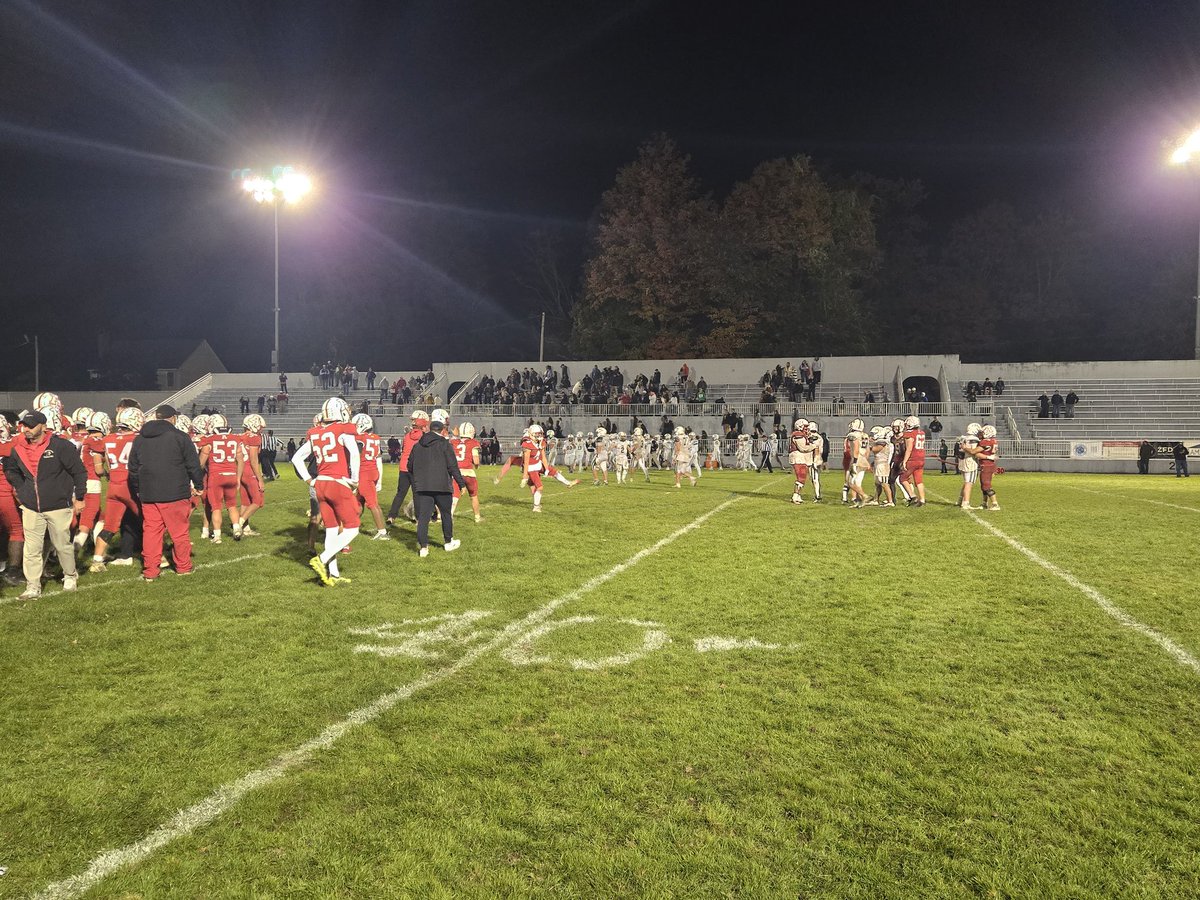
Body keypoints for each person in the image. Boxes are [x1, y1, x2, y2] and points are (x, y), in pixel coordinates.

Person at [3, 410, 86, 599]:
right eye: (24, 426)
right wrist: (21, 488)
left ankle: (70, 576)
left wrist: (80, 496)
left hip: (58, 505)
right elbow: (10, 469)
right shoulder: (18, 448)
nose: (26, 430)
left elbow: (79, 472)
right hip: (31, 506)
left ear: (43, 426)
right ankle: (33, 585)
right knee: (32, 548)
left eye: (31, 426)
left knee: (62, 545)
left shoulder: (60, 446)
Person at [128, 405, 204, 581]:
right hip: (175, 492)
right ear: (173, 418)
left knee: (152, 533)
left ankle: (150, 571)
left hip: (149, 493)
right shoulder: (180, 437)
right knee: (179, 532)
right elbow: (193, 465)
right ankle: (183, 567)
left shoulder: (140, 439)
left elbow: (133, 468)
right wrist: (199, 485)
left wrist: (138, 488)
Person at [292, 398, 361, 585]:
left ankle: (333, 574)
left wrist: (308, 479)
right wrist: (355, 480)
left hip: (320, 483)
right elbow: (354, 454)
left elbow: (296, 458)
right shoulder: (343, 429)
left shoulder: (315, 433)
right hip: (337, 482)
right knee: (353, 527)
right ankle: (322, 559)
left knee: (331, 529)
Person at [408, 409, 465, 554]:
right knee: (446, 514)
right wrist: (461, 484)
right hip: (442, 485)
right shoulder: (445, 444)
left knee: (423, 518)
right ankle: (448, 542)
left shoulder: (418, 445)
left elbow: (410, 465)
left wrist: (419, 478)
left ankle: (423, 548)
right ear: (442, 429)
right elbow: (452, 466)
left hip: (423, 486)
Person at [388, 410, 429, 524]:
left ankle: (391, 516)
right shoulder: (424, 437)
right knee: (417, 494)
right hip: (416, 468)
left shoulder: (407, 436)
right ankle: (418, 517)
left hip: (403, 467)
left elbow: (404, 449)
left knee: (400, 493)